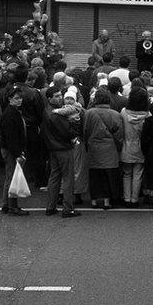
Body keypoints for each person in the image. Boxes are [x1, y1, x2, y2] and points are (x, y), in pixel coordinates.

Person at [42, 85, 80, 218]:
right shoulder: (57, 115)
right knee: (68, 178)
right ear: (49, 98)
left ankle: (50, 206)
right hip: (63, 148)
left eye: (60, 95)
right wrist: (75, 125)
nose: (60, 98)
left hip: (53, 148)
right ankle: (68, 208)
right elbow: (68, 132)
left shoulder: (47, 111)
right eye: (56, 96)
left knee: (54, 176)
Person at [82, 88, 123, 210]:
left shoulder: (89, 113)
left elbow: (85, 131)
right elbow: (119, 134)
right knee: (108, 176)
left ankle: (94, 201)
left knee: (94, 175)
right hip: (110, 148)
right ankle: (107, 201)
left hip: (94, 146)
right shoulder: (115, 114)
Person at [0, 88, 29, 216]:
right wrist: (18, 154)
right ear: (10, 99)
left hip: (9, 149)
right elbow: (11, 137)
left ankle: (6, 204)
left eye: (20, 98)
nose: (19, 100)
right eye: (16, 98)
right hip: (11, 150)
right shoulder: (11, 114)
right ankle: (12, 206)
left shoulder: (12, 111)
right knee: (13, 178)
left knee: (10, 177)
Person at [119, 87, 150, 207]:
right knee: (138, 174)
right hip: (140, 147)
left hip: (126, 146)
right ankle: (134, 199)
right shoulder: (147, 114)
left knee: (127, 174)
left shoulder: (123, 112)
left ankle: (126, 199)